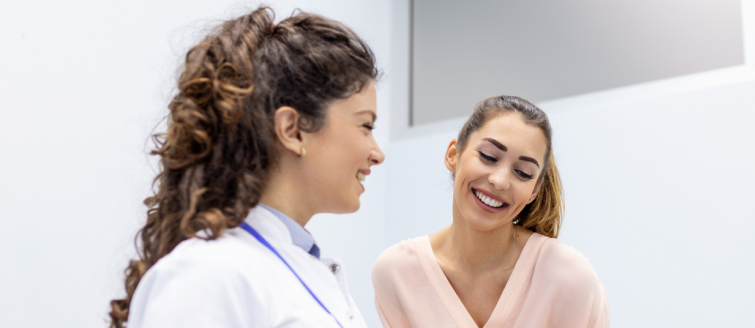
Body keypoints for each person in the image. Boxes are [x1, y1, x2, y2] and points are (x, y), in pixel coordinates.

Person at [109, 7, 384, 328]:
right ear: (292, 130)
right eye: (365, 125)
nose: (376, 153)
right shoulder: (208, 274)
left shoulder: (299, 269)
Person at [371, 96, 609, 328]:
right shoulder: (397, 273)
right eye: (488, 156)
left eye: (523, 173)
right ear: (453, 155)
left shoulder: (570, 279)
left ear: (534, 191)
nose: (500, 181)